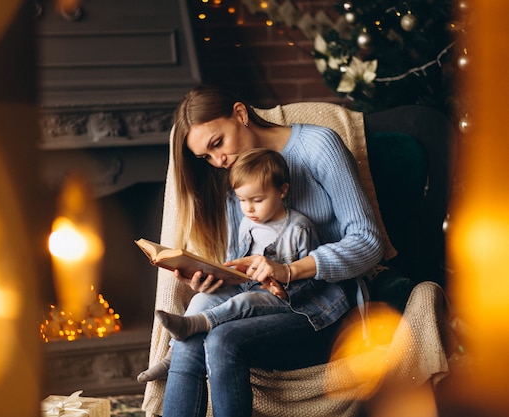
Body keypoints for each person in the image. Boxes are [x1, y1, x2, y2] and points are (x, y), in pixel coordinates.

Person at [159, 85, 384, 417]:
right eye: (205, 157)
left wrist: (291, 270)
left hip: (325, 304)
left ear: (240, 114)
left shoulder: (320, 147)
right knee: (195, 325)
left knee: (221, 340)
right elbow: (248, 264)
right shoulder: (234, 177)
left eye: (217, 143)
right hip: (265, 302)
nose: (218, 161)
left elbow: (369, 242)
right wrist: (217, 279)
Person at [137, 148, 320, 383]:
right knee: (200, 299)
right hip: (245, 286)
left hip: (283, 298)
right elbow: (237, 259)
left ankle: (199, 323)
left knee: (244, 301)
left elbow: (312, 280)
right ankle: (172, 356)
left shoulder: (299, 229)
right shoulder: (247, 223)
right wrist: (218, 273)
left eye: (257, 200)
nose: (249, 209)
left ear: (282, 191)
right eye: (242, 200)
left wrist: (281, 284)